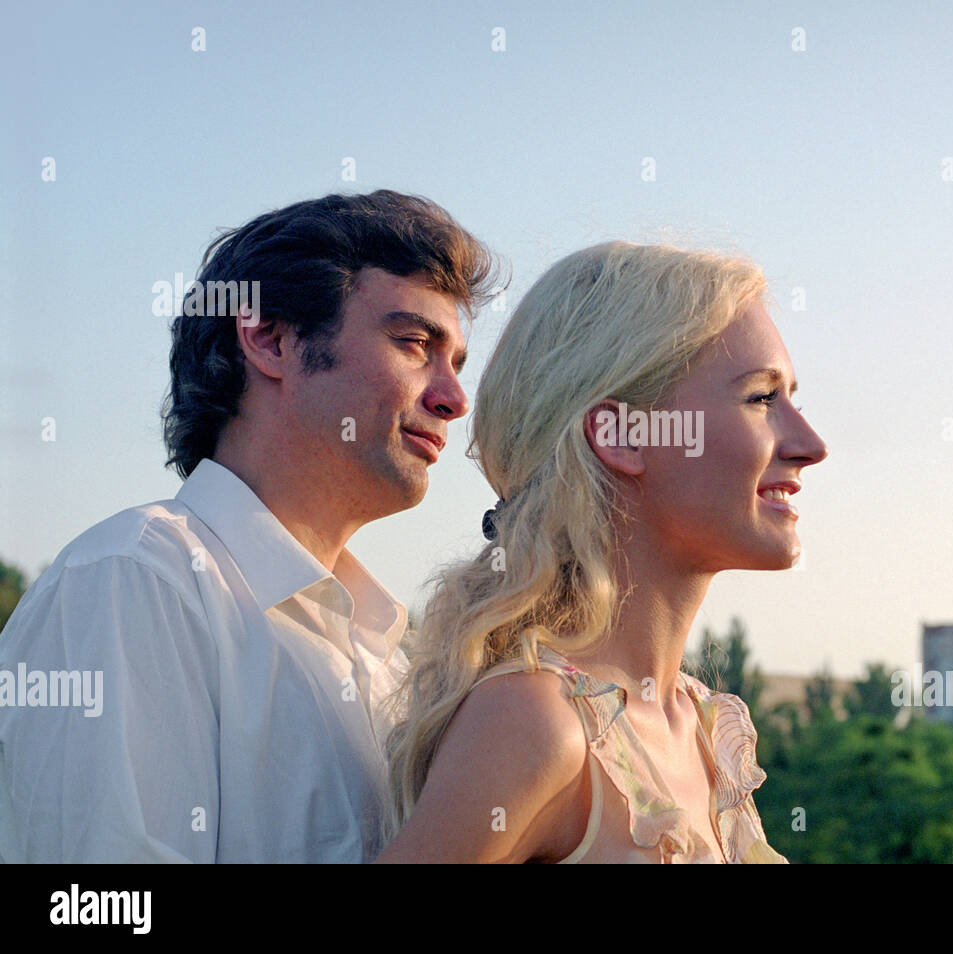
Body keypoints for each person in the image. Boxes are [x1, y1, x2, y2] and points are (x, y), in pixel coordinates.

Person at [0, 190, 499, 862]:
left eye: (456, 363)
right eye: (414, 343)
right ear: (269, 338)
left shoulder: (388, 656)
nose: (452, 398)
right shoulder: (135, 580)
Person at [378, 241, 828, 863]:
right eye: (760, 398)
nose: (810, 443)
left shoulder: (702, 726)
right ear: (620, 435)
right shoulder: (534, 723)